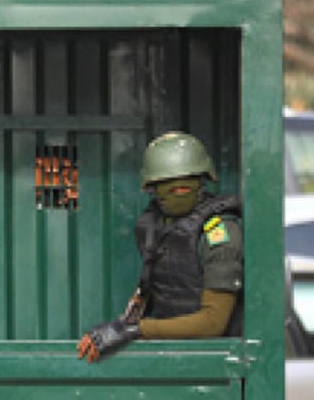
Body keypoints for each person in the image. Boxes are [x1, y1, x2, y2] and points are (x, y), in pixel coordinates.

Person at [77, 132, 243, 362]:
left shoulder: (220, 232)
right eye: (168, 185)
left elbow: (213, 323)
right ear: (153, 188)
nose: (178, 191)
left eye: (186, 183)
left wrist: (135, 330)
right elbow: (150, 289)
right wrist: (121, 327)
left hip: (217, 361)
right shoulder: (157, 226)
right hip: (173, 356)